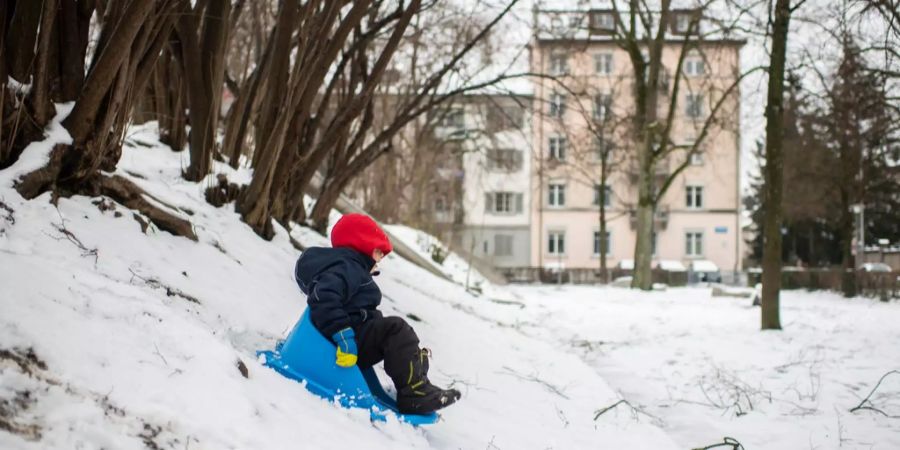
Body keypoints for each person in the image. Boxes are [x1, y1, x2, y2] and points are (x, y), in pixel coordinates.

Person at [293, 213, 461, 415]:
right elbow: (323, 296)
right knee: (396, 329)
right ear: (362, 245)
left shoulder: (346, 267)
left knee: (396, 337)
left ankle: (416, 379)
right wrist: (343, 336)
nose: (380, 260)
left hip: (347, 337)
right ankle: (414, 393)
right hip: (341, 345)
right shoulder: (348, 267)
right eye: (378, 252)